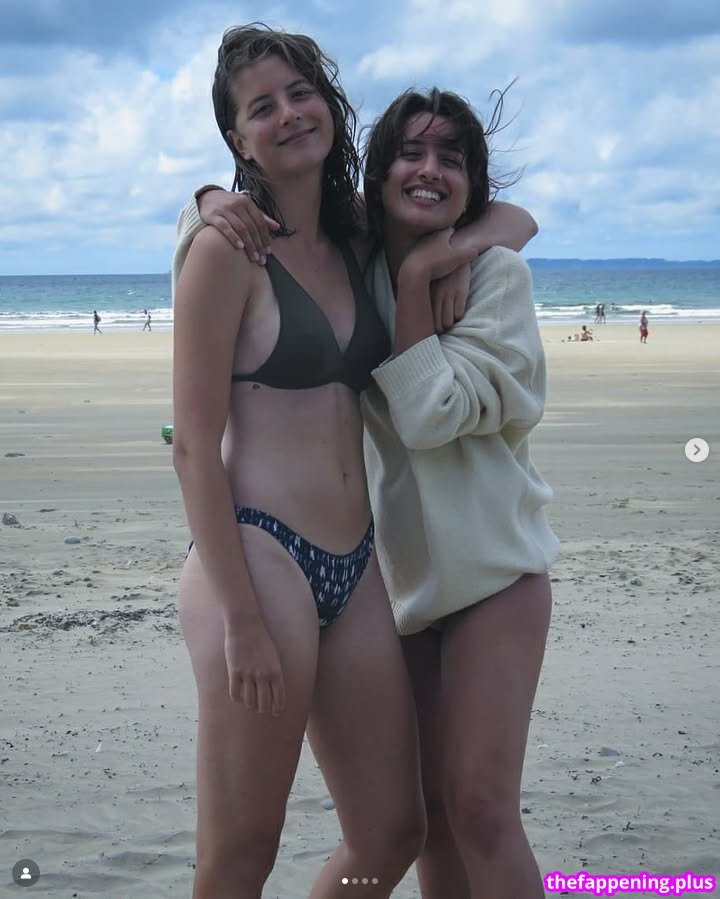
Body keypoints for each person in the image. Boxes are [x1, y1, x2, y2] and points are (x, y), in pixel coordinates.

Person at [171, 24, 537, 899]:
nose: (290, 115)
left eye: (301, 94)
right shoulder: (227, 248)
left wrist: (450, 251)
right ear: (237, 138)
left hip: (358, 564)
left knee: (394, 828)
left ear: (329, 108)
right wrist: (241, 617)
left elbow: (510, 216)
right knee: (243, 849)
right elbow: (190, 447)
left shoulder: (357, 237)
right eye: (263, 107)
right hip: (257, 555)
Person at [358, 88, 560, 898]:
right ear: (378, 173)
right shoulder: (353, 270)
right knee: (432, 815)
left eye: (452, 158)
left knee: (481, 807)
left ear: (473, 183)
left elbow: (430, 416)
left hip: (495, 573)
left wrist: (424, 274)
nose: (429, 170)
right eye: (411, 152)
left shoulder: (498, 278)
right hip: (400, 584)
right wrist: (209, 197)